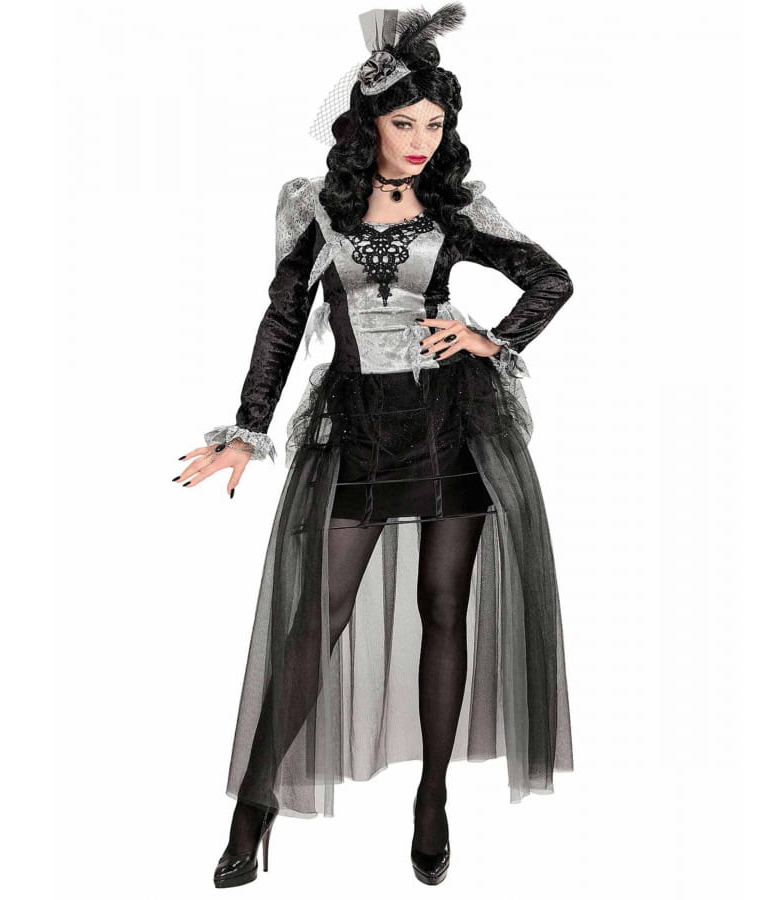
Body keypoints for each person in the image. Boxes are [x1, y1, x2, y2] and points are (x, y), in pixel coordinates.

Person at [174, 4, 575, 887]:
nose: (422, 141)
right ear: (370, 125)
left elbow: (551, 279)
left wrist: (491, 340)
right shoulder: (317, 210)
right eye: (405, 124)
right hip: (357, 430)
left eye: (435, 125)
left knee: (443, 606)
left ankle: (432, 799)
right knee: (314, 621)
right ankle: (254, 807)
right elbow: (284, 323)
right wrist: (247, 428)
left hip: (452, 427)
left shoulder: (456, 210)